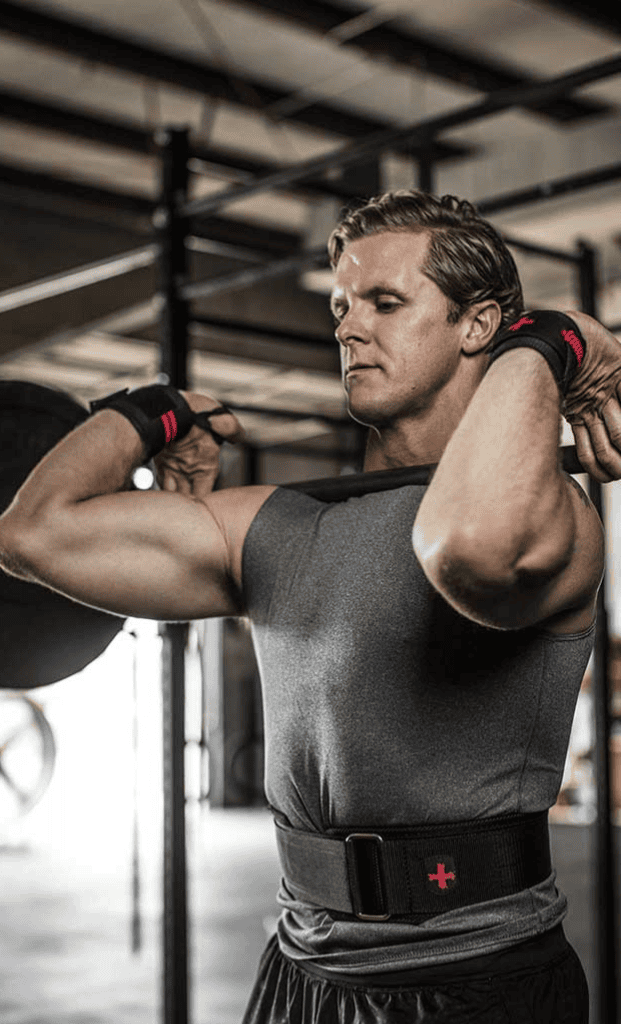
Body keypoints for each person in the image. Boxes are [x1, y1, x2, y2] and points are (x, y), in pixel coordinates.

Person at [2, 190, 621, 1023]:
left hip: (477, 977)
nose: (348, 328)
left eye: (384, 302)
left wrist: (549, 341)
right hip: (301, 971)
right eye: (340, 306)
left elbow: (470, 543)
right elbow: (31, 535)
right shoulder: (277, 526)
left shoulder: (555, 517)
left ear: (477, 325)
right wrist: (150, 412)